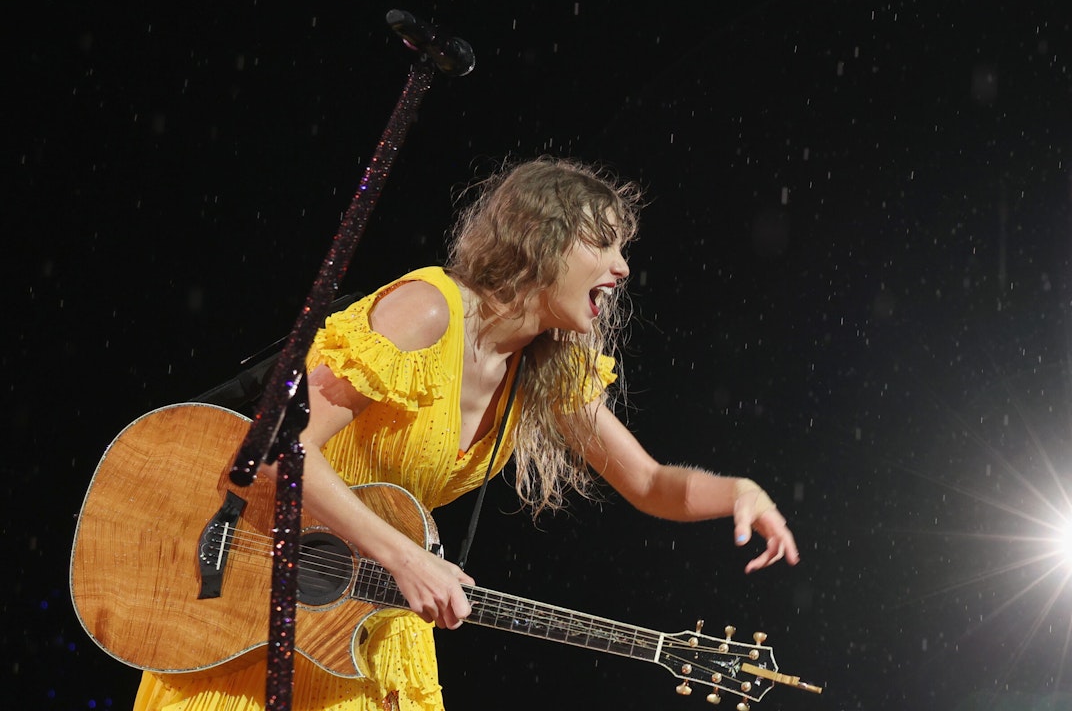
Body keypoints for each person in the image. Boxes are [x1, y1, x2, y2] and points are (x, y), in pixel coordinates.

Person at [134, 156, 800, 711]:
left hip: (365, 633)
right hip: (251, 610)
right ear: (540, 239)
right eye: (603, 243)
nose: (622, 268)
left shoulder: (540, 371)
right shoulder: (426, 310)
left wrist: (738, 489)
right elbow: (277, 452)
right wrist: (403, 555)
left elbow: (650, 484)